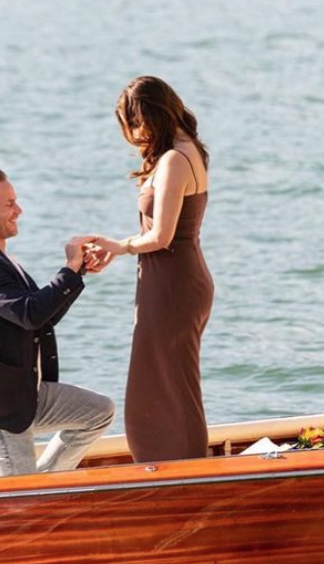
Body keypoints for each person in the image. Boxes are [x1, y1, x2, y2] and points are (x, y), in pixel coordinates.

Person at [0, 167, 115, 478]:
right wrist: (69, 267)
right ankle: (35, 490)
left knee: (98, 412)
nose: (19, 210)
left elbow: (42, 317)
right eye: (9, 204)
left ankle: (44, 481)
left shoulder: (0, 260)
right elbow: (31, 313)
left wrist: (76, 273)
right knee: (15, 509)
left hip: (25, 394)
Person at [90, 76, 214, 463]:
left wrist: (119, 246)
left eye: (135, 125)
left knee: (161, 382)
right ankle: (182, 466)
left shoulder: (176, 160)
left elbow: (161, 236)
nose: (134, 136)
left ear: (151, 117)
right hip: (176, 278)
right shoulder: (186, 150)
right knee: (172, 381)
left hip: (173, 282)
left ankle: (179, 470)